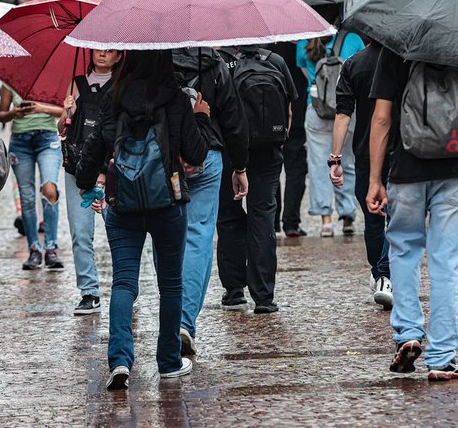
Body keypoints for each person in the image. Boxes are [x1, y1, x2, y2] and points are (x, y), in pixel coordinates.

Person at [76, 49, 212, 390]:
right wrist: (201, 118)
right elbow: (196, 154)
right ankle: (168, 362)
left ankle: (120, 361)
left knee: (123, 282)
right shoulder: (177, 99)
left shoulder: (114, 97)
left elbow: (94, 150)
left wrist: (86, 181)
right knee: (170, 283)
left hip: (122, 202)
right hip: (167, 201)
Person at [367, 48, 458, 381]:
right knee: (446, 262)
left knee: (404, 252)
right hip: (457, 170)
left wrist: (375, 179)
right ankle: (442, 358)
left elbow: (381, 117)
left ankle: (407, 333)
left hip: (406, 170)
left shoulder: (396, 50)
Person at [172, 46, 248, 354]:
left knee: (168, 236)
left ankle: (173, 317)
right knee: (199, 236)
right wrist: (240, 166)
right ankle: (185, 321)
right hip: (207, 154)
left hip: (165, 156)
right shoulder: (213, 61)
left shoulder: (152, 56)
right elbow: (233, 118)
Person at [216, 44, 298, 314]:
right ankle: (264, 296)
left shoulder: (220, 62)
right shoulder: (276, 61)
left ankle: (234, 289)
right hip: (268, 150)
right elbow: (288, 111)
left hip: (229, 149)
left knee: (228, 215)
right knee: (262, 216)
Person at [58, 49, 123, 315]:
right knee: (80, 234)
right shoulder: (77, 82)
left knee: (118, 232)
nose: (103, 55)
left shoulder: (122, 86)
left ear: (119, 56)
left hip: (111, 171)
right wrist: (66, 112)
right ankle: (89, 291)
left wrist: (106, 172)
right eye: (99, 50)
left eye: (109, 51)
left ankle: (124, 287)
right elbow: (63, 129)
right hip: (77, 168)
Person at [330, 41, 392, 308]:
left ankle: (381, 273)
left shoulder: (353, 63)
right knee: (398, 217)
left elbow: (343, 114)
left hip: (366, 151)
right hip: (400, 149)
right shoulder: (401, 60)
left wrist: (335, 158)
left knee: (373, 218)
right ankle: (384, 274)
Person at [297, 22, 364, 237]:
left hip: (316, 108)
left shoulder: (304, 41)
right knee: (347, 162)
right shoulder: (353, 40)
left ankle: (326, 221)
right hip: (347, 110)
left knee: (319, 165)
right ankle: (348, 215)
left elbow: (307, 76)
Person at [0, 87, 65, 271]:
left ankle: (51, 247)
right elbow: (1, 115)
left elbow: (64, 111)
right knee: (27, 198)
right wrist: (14, 112)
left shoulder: (51, 78)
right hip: (20, 142)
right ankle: (34, 249)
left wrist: (41, 109)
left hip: (48, 139)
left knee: (50, 189)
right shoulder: (10, 79)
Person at [267, 41, 309, 237]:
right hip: (297, 115)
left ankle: (273, 220)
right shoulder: (301, 49)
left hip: (268, 119)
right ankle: (291, 222)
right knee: (296, 170)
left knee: (271, 170)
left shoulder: (265, 52)